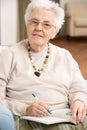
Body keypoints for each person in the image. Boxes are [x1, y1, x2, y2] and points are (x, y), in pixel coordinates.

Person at [0, 0, 87, 130]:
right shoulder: (9, 55)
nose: (38, 28)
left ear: (54, 32)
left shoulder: (65, 56)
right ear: (27, 24)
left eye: (46, 24)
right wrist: (25, 109)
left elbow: (78, 86)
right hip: (23, 118)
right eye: (34, 22)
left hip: (65, 116)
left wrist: (78, 101)